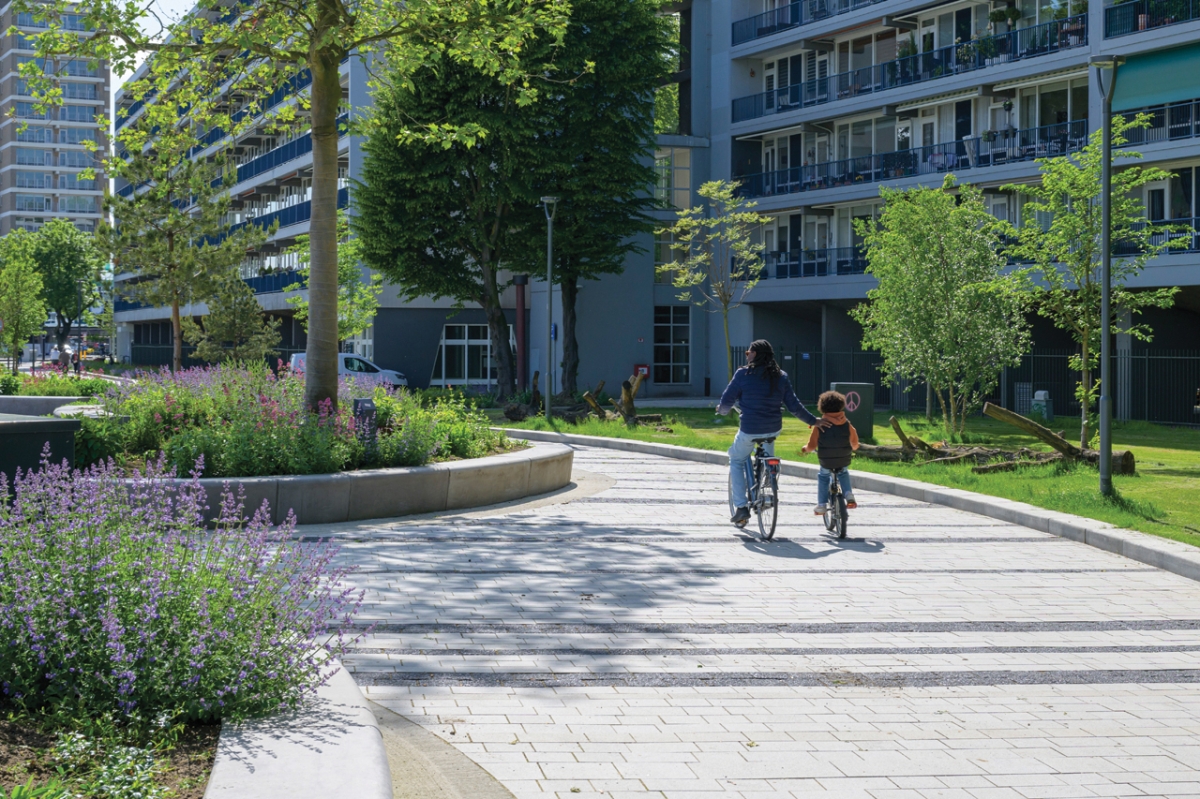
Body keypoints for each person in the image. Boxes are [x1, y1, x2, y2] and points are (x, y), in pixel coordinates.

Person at [716, 339, 827, 527]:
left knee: (736, 459)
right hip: (772, 428)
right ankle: (769, 477)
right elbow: (794, 406)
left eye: (748, 352)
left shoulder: (743, 374)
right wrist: (814, 421)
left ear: (755, 354)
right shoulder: (781, 376)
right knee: (768, 454)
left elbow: (727, 400)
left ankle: (741, 508)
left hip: (749, 428)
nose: (747, 355)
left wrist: (722, 410)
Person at [800, 390, 860, 514]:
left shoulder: (820, 426)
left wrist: (805, 449)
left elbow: (811, 446)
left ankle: (822, 505)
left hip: (826, 460)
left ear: (822, 407)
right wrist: (854, 447)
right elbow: (854, 443)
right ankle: (848, 494)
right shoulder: (847, 424)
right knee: (843, 472)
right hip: (843, 458)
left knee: (823, 476)